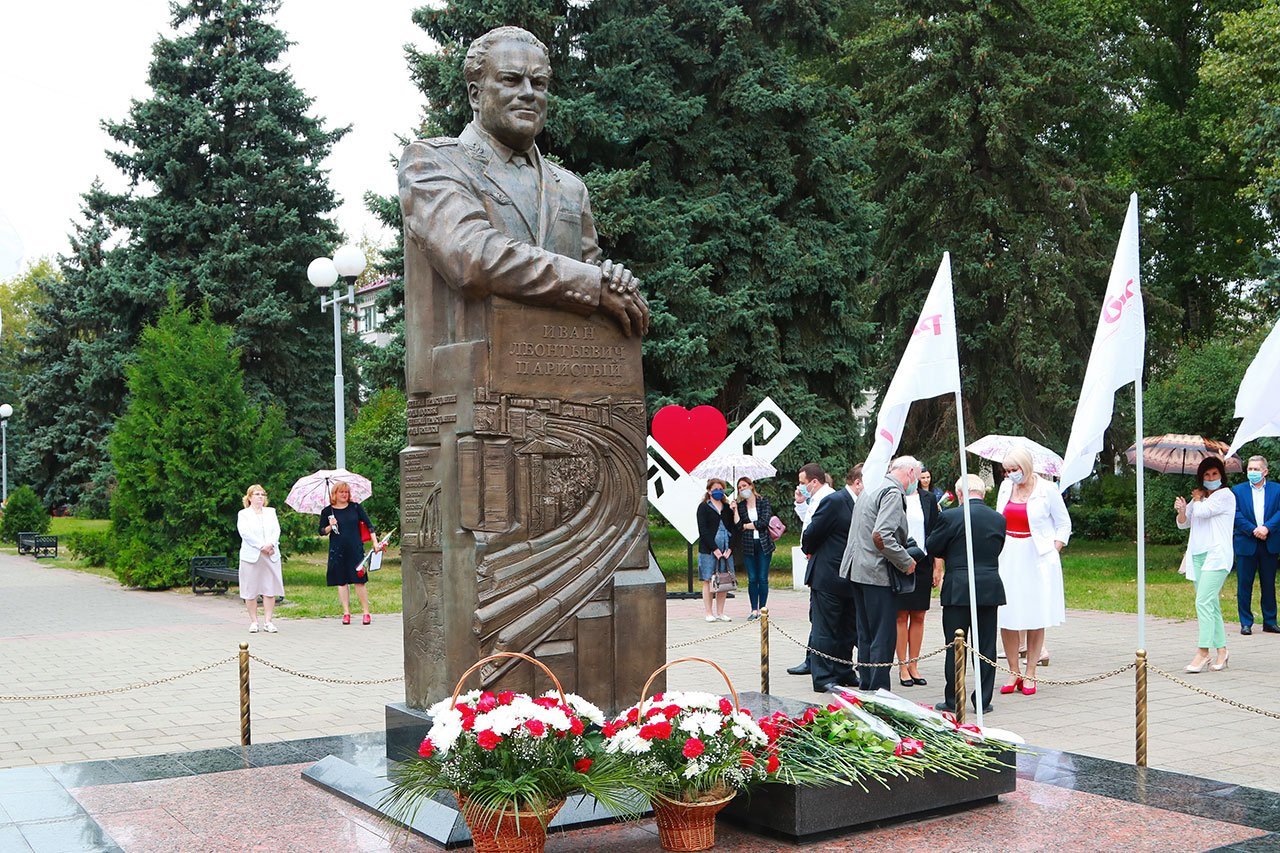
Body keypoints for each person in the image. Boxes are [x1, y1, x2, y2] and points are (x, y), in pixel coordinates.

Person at [840, 455, 920, 691]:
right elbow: (881, 536)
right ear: (911, 473)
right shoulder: (893, 492)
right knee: (882, 636)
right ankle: (879, 690)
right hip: (876, 573)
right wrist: (906, 561)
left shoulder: (872, 486)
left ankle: (867, 685)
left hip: (857, 569)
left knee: (866, 634)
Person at [927, 475, 1007, 713]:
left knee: (955, 643)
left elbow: (933, 546)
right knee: (986, 646)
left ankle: (954, 699)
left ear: (960, 494)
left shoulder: (950, 516)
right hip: (988, 584)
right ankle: (983, 700)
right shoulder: (998, 519)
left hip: (959, 585)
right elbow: (998, 547)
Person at [995, 447, 1070, 696]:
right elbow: (998, 518)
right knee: (1008, 614)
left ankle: (1031, 672)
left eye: (1013, 469)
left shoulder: (1047, 490)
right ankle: (1013, 670)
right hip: (1009, 553)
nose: (1009, 474)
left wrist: (1055, 548)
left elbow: (1063, 523)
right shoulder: (1006, 487)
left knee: (1035, 614)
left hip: (1037, 555)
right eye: (1006, 470)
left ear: (1025, 467)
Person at [1176, 457, 1235, 671]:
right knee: (1211, 604)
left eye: (1214, 474)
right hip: (1197, 556)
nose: (1210, 478)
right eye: (1207, 475)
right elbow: (1184, 524)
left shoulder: (1225, 496)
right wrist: (1182, 509)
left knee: (1202, 601)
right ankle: (1222, 651)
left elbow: (1204, 512)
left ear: (1221, 476)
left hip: (1217, 556)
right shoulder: (1200, 498)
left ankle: (1203, 652)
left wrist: (1198, 500)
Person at [801, 477, 857, 692]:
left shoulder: (859, 502)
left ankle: (844, 670)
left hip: (850, 577)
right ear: (858, 482)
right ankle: (823, 676)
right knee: (825, 629)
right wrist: (814, 553)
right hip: (828, 575)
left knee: (847, 628)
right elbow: (812, 533)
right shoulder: (835, 500)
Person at [787, 463, 836, 676]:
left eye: (803, 482)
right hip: (815, 561)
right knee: (815, 614)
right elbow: (808, 519)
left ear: (814, 481)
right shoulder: (816, 498)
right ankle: (811, 658)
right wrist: (800, 502)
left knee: (820, 616)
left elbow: (817, 530)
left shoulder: (828, 499)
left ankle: (816, 661)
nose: (801, 486)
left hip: (824, 563)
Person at [896, 469, 940, 687]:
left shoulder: (928, 498)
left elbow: (935, 531)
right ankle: (902, 665)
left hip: (923, 561)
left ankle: (914, 664)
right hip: (901, 560)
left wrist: (937, 565)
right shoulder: (895, 495)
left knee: (919, 615)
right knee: (901, 615)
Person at [320, 481, 382, 625]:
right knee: (341, 582)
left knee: (359, 581)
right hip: (337, 550)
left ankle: (366, 612)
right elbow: (321, 531)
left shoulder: (355, 507)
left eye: (347, 492)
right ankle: (346, 612)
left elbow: (369, 524)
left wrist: (375, 542)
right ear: (334, 494)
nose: (344, 495)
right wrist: (331, 526)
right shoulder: (327, 511)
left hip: (355, 548)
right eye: (341, 492)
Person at [1232, 455, 1280, 635]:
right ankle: (1246, 622)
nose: (1252, 472)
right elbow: (1235, 514)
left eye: (1256, 469)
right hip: (1247, 542)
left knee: (1268, 583)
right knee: (1244, 584)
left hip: (1270, 542)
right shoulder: (1237, 490)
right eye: (1250, 469)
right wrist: (1253, 530)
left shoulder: (1277, 490)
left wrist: (1267, 528)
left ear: (1265, 471)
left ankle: (1270, 621)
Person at [237, 484, 283, 634]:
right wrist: (260, 546)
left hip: (270, 554)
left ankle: (268, 621)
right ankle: (254, 621)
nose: (260, 497)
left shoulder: (271, 512)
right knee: (250, 589)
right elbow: (245, 533)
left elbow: (276, 530)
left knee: (269, 588)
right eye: (257, 494)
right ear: (249, 497)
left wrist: (270, 544)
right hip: (252, 555)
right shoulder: (244, 514)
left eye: (262, 494)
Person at [732, 477, 774, 621]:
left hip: (764, 544)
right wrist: (735, 511)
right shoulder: (741, 505)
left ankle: (763, 608)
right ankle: (753, 609)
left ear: (751, 486)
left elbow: (764, 522)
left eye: (744, 486)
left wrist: (746, 526)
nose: (742, 489)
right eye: (739, 487)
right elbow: (738, 526)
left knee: (762, 578)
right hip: (748, 545)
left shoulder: (763, 501)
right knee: (752, 578)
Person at [697, 478, 736, 623]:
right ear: (709, 491)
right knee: (708, 580)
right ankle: (709, 612)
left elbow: (734, 528)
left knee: (724, 579)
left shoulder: (727, 508)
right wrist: (714, 549)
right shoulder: (703, 507)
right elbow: (703, 530)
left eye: (721, 489)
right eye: (715, 489)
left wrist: (730, 548)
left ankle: (720, 612)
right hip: (709, 550)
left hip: (726, 549)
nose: (718, 491)